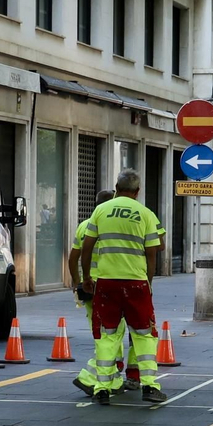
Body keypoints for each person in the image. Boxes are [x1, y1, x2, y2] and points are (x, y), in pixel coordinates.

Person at [76, 170, 167, 405]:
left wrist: (86, 276)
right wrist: (149, 281)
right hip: (136, 283)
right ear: (138, 192)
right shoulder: (146, 214)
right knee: (145, 334)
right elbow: (152, 253)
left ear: (116, 187)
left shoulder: (101, 211)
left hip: (106, 283)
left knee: (106, 334)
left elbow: (86, 248)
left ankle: (102, 388)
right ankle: (150, 386)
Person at [69, 189, 134, 388]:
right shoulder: (114, 227)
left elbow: (73, 258)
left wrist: (76, 282)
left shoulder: (83, 226)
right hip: (109, 286)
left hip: (88, 290)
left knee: (102, 333)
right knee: (111, 335)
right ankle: (88, 377)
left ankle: (112, 379)